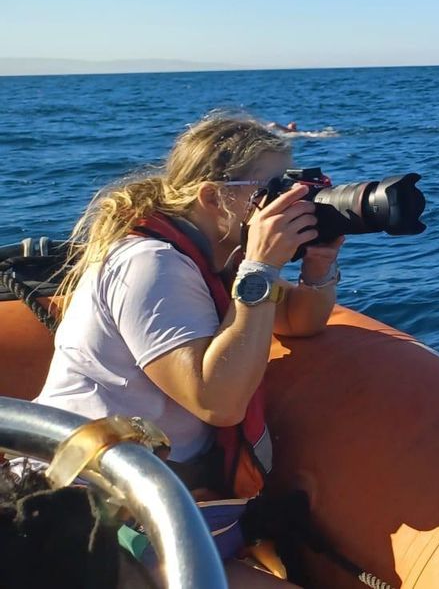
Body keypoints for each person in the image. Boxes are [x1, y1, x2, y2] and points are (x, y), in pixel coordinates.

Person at [31, 114, 345, 588]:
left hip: (156, 489)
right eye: (273, 189)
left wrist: (318, 262)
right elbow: (216, 401)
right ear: (214, 197)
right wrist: (261, 266)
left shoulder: (216, 257)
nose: (289, 201)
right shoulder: (151, 265)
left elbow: (299, 323)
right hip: (90, 502)